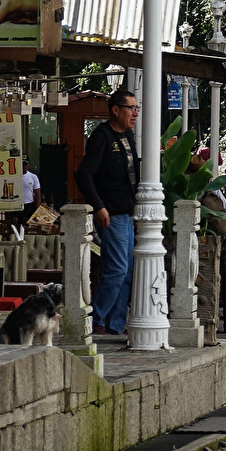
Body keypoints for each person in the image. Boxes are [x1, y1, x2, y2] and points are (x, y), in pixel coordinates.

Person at [75, 89, 141, 337]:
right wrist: (98, 206)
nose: (135, 113)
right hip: (111, 214)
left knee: (127, 272)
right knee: (117, 270)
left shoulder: (129, 136)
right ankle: (92, 318)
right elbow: (84, 174)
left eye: (137, 108)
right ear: (115, 109)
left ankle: (115, 324)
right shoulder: (101, 136)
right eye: (130, 108)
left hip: (127, 213)